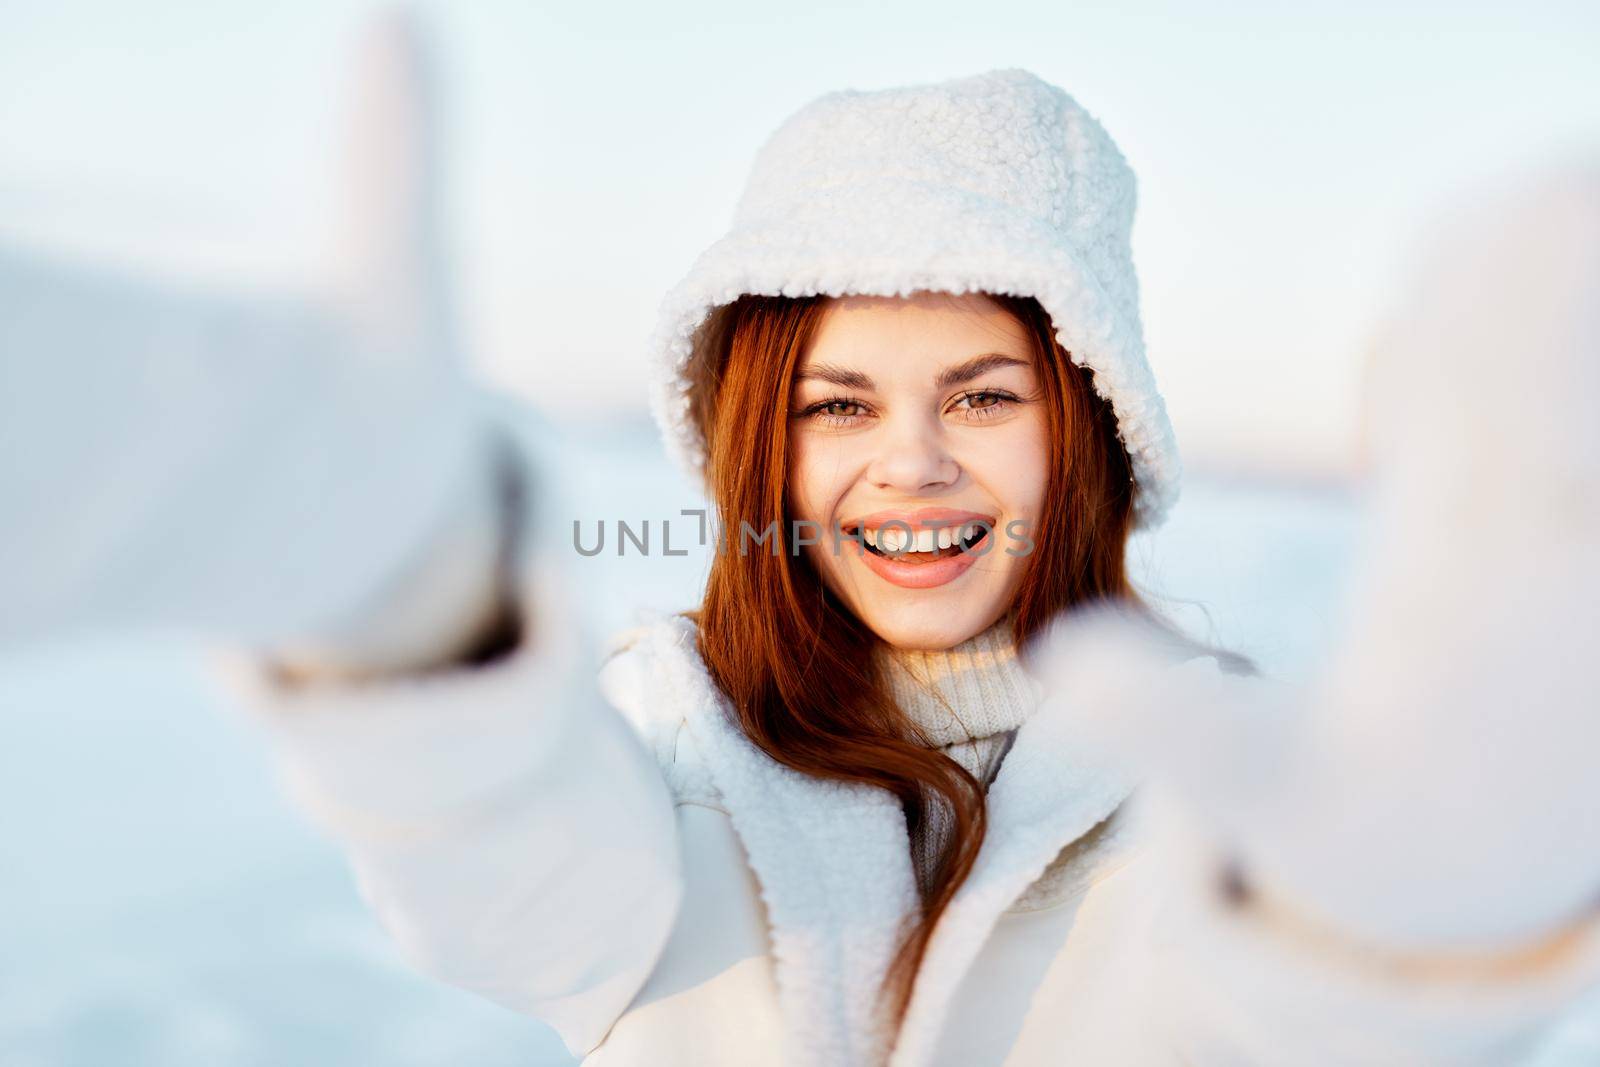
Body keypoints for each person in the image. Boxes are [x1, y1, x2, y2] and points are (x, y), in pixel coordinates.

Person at [4, 17, 1598, 1067]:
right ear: (761, 438)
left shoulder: (1238, 780)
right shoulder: (671, 743)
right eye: (839, 406)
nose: (907, 464)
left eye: (982, 395)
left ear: (1089, 428)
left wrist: (1371, 951)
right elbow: (514, 889)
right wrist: (413, 611)